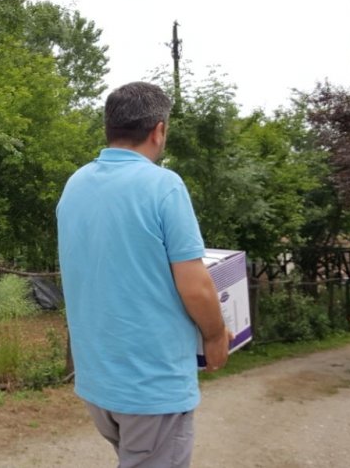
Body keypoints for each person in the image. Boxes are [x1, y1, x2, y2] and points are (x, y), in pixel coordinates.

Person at [57, 81, 230, 468]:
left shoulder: (75, 185)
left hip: (98, 382)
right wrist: (216, 335)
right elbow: (196, 286)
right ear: (158, 130)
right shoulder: (163, 185)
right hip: (151, 385)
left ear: (109, 127)